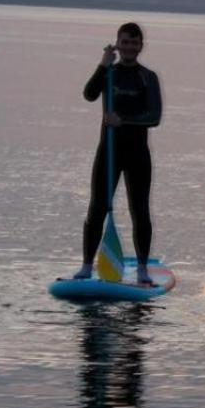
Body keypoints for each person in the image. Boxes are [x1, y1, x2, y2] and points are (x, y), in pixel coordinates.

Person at [74, 22, 162, 284]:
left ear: (141, 46)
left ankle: (143, 269)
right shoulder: (109, 73)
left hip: (137, 155)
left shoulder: (148, 77)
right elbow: (89, 94)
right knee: (97, 208)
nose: (130, 47)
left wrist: (121, 120)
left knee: (140, 210)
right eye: (125, 42)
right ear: (117, 43)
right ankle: (87, 266)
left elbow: (154, 117)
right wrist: (102, 64)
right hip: (108, 153)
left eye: (134, 43)